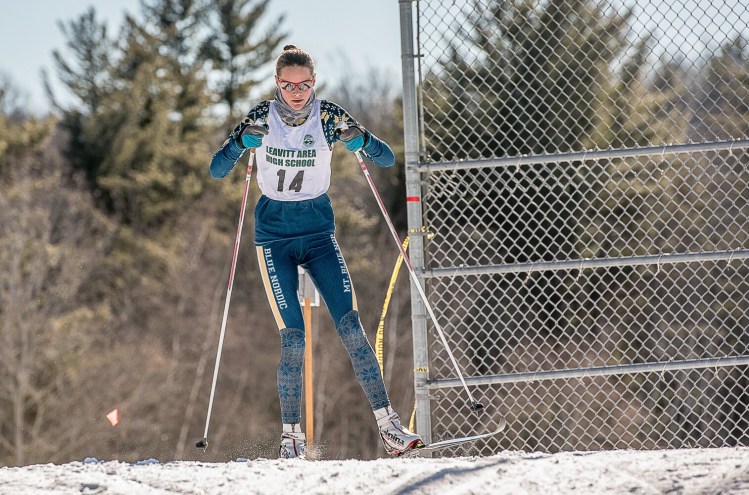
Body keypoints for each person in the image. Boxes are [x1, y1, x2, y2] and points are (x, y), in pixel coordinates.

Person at [209, 44, 423, 459]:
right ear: (277, 84)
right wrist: (238, 142)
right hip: (274, 239)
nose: (296, 92)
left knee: (351, 327)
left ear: (314, 83)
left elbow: (386, 157)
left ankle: (390, 427)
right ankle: (290, 440)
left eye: (303, 84)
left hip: (320, 236)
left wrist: (361, 138)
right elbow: (218, 170)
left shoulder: (328, 116)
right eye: (287, 85)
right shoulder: (261, 117)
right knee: (293, 338)